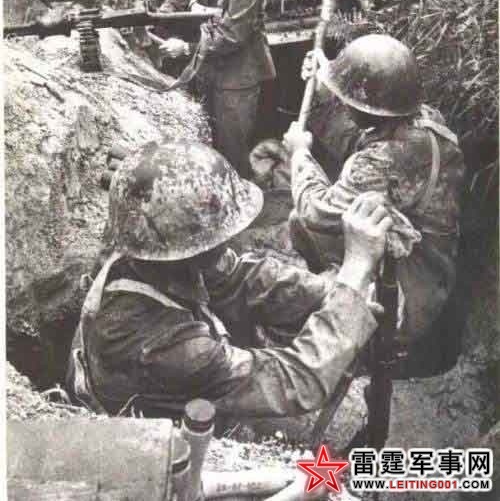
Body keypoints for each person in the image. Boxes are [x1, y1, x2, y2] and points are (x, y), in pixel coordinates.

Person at [67, 141, 393, 419]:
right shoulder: (175, 350)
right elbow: (296, 382)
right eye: (220, 236)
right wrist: (356, 269)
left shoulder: (152, 247)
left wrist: (333, 294)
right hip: (153, 431)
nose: (230, 240)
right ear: (191, 247)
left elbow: (242, 278)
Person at [283, 34, 465, 375]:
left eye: (347, 100)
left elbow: (315, 210)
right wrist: (328, 91)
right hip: (434, 265)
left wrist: (299, 155)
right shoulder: (424, 120)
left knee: (300, 222)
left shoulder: (384, 160)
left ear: (365, 106)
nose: (344, 105)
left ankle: (376, 339)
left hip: (412, 287)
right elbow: (359, 140)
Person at [156, 0, 276, 177]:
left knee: (231, 149)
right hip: (207, 68)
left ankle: (244, 195)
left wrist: (186, 49)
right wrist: (159, 16)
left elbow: (231, 36)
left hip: (238, 77)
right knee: (206, 144)